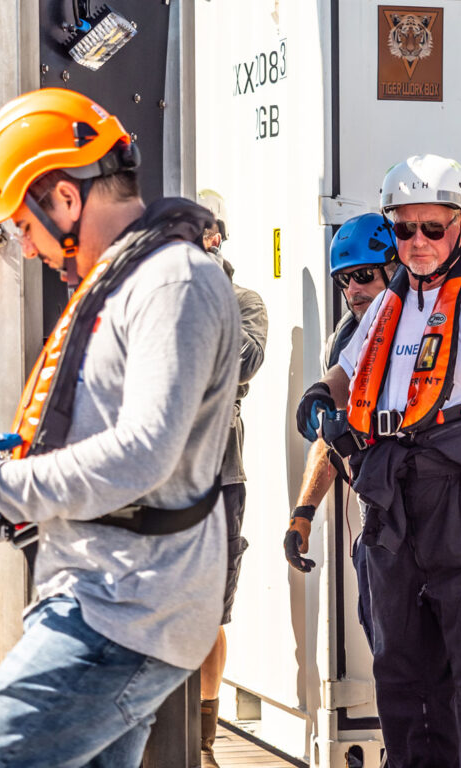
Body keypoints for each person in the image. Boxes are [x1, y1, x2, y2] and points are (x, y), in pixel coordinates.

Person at [0, 88, 240, 767]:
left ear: (63, 198)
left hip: (120, 610)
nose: (28, 249)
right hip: (110, 598)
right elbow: (114, 464)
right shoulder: (128, 282)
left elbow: (141, 457)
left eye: (24, 226)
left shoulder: (171, 283)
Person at [295, 154, 461, 767]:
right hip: (394, 516)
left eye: (432, 228)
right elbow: (349, 371)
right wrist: (320, 393)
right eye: (404, 229)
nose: (417, 243)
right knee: (402, 684)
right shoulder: (388, 305)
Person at [284, 213, 398, 651]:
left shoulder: (431, 326)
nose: (353, 291)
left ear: (396, 267)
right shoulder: (344, 341)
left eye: (365, 275)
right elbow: (330, 437)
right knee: (390, 662)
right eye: (343, 281)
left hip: (438, 523)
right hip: (374, 523)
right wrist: (303, 515)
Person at [195, 189, 269, 768]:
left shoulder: (244, 301)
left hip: (221, 475)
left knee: (211, 614)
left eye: (209, 227)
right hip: (154, 477)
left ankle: (203, 743)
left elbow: (242, 361)